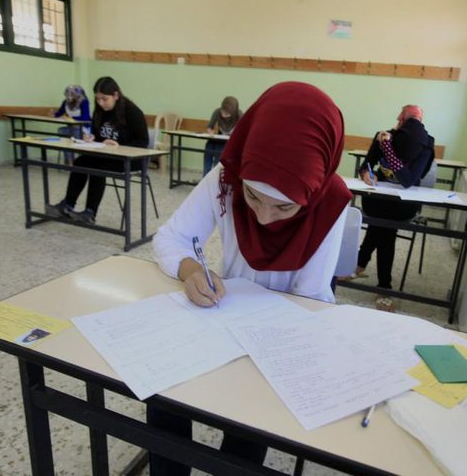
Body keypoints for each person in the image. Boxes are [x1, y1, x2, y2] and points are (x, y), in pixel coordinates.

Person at [151, 81, 352, 474]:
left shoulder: (330, 203)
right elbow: (170, 237)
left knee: (249, 421)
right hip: (223, 313)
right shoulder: (227, 177)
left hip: (284, 332)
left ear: (312, 193)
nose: (263, 218)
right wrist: (191, 269)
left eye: (284, 207)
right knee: (164, 390)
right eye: (253, 197)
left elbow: (310, 298)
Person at [45, 76, 149, 225]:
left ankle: (90, 212)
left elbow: (143, 142)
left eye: (104, 99)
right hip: (107, 154)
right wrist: (91, 137)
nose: (100, 103)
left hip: (132, 159)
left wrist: (118, 145)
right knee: (80, 162)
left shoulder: (132, 112)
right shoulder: (100, 110)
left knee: (97, 167)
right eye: (98, 99)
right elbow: (99, 136)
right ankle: (67, 205)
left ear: (115, 95)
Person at [353, 105, 435, 292]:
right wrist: (366, 174)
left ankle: (365, 269)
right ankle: (381, 284)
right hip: (378, 200)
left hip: (404, 205)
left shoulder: (425, 145)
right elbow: (366, 164)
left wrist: (389, 151)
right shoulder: (384, 137)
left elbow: (407, 180)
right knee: (383, 227)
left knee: (383, 227)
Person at [203, 95, 242, 176]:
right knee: (208, 146)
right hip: (219, 138)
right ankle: (206, 175)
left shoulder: (239, 114)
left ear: (233, 112)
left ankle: (215, 176)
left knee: (219, 150)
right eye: (223, 111)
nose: (224, 115)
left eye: (227, 113)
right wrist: (210, 132)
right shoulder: (217, 112)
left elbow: (243, 130)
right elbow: (210, 127)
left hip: (231, 141)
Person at [53, 84, 91, 165]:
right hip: (71, 128)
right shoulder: (65, 102)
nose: (70, 96)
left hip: (83, 128)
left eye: (72, 94)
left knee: (75, 132)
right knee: (61, 131)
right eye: (68, 94)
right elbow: (59, 113)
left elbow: (86, 118)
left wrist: (71, 118)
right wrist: (53, 114)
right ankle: (69, 161)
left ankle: (81, 160)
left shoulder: (84, 102)